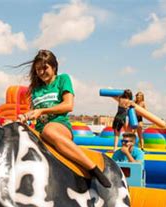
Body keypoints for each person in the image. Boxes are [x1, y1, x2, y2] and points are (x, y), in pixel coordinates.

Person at [17, 50, 111, 187]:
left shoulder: (63, 79)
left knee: (48, 131)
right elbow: (34, 112)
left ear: (54, 67)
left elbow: (68, 105)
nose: (42, 72)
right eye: (38, 69)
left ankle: (93, 168)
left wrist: (42, 110)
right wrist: (25, 116)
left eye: (45, 68)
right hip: (39, 132)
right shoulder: (35, 89)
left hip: (59, 126)